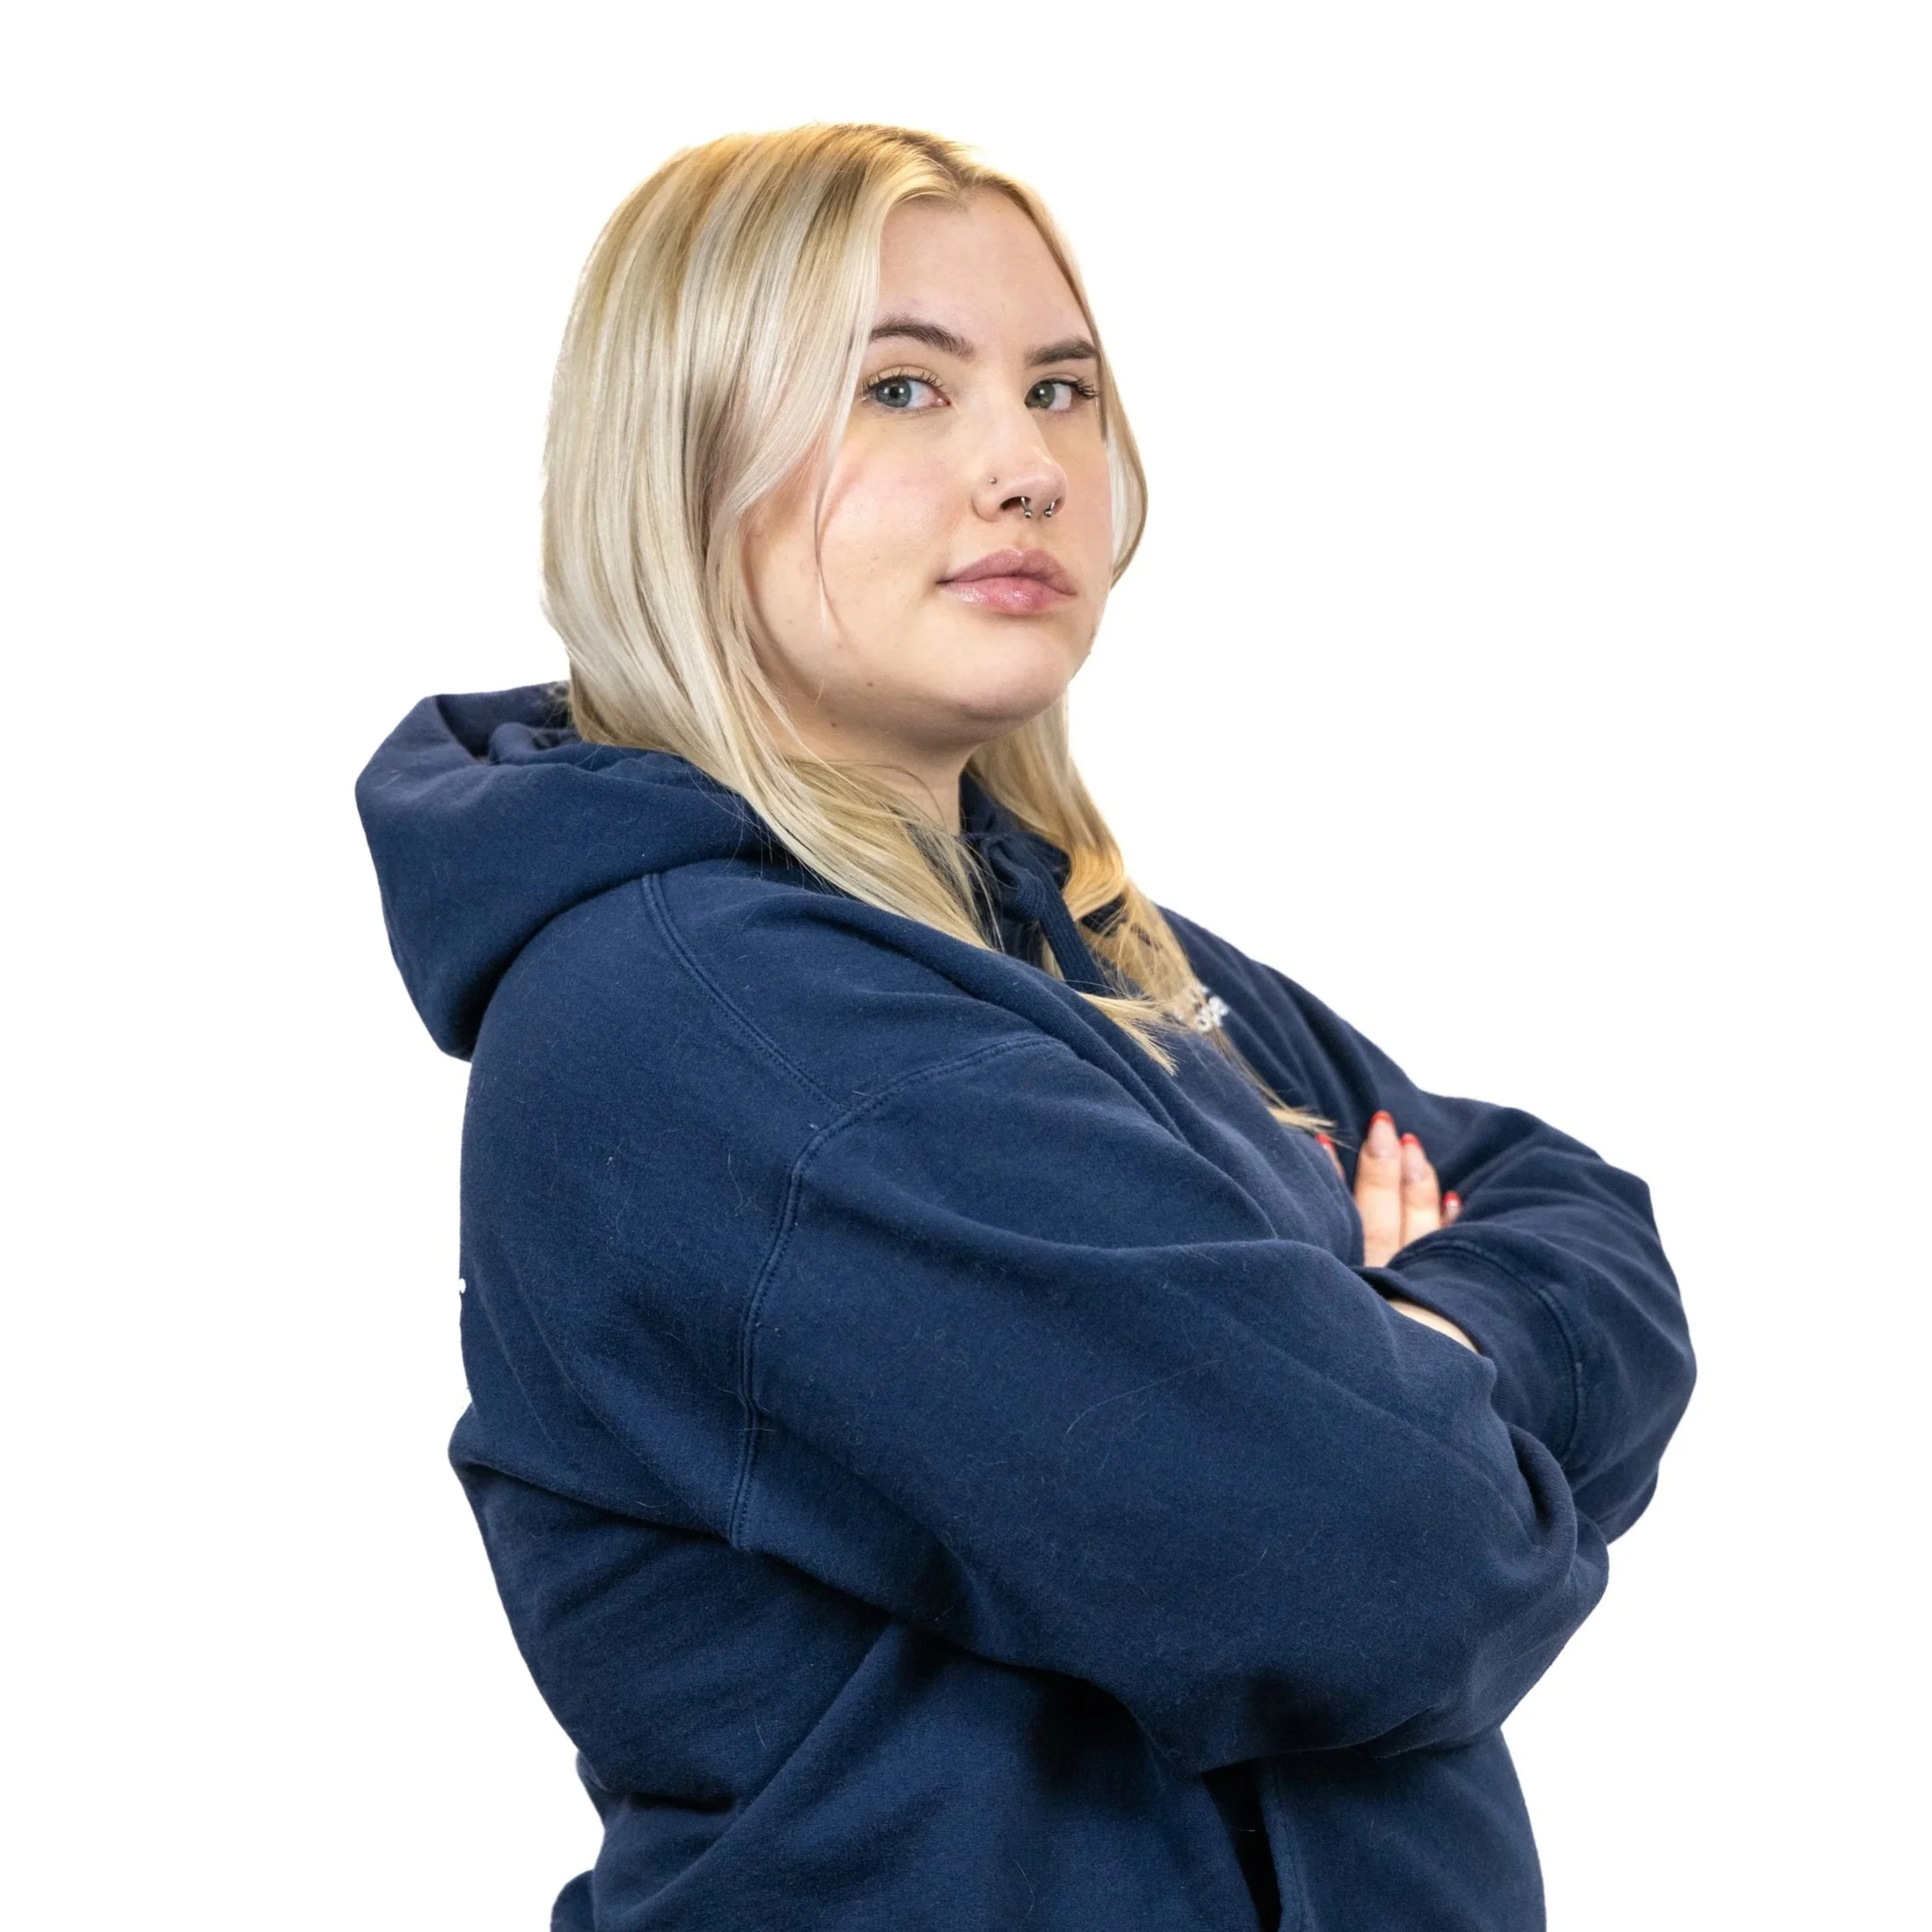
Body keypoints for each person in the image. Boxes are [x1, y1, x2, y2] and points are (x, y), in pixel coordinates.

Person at [357, 123, 1695, 1932]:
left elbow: (1582, 1216)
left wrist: (1407, 1345)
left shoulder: (1085, 944)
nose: (1024, 467)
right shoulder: (727, 1019)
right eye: (902, 387)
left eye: (1060, 392)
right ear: (682, 463)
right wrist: (1406, 1371)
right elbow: (1367, 1562)